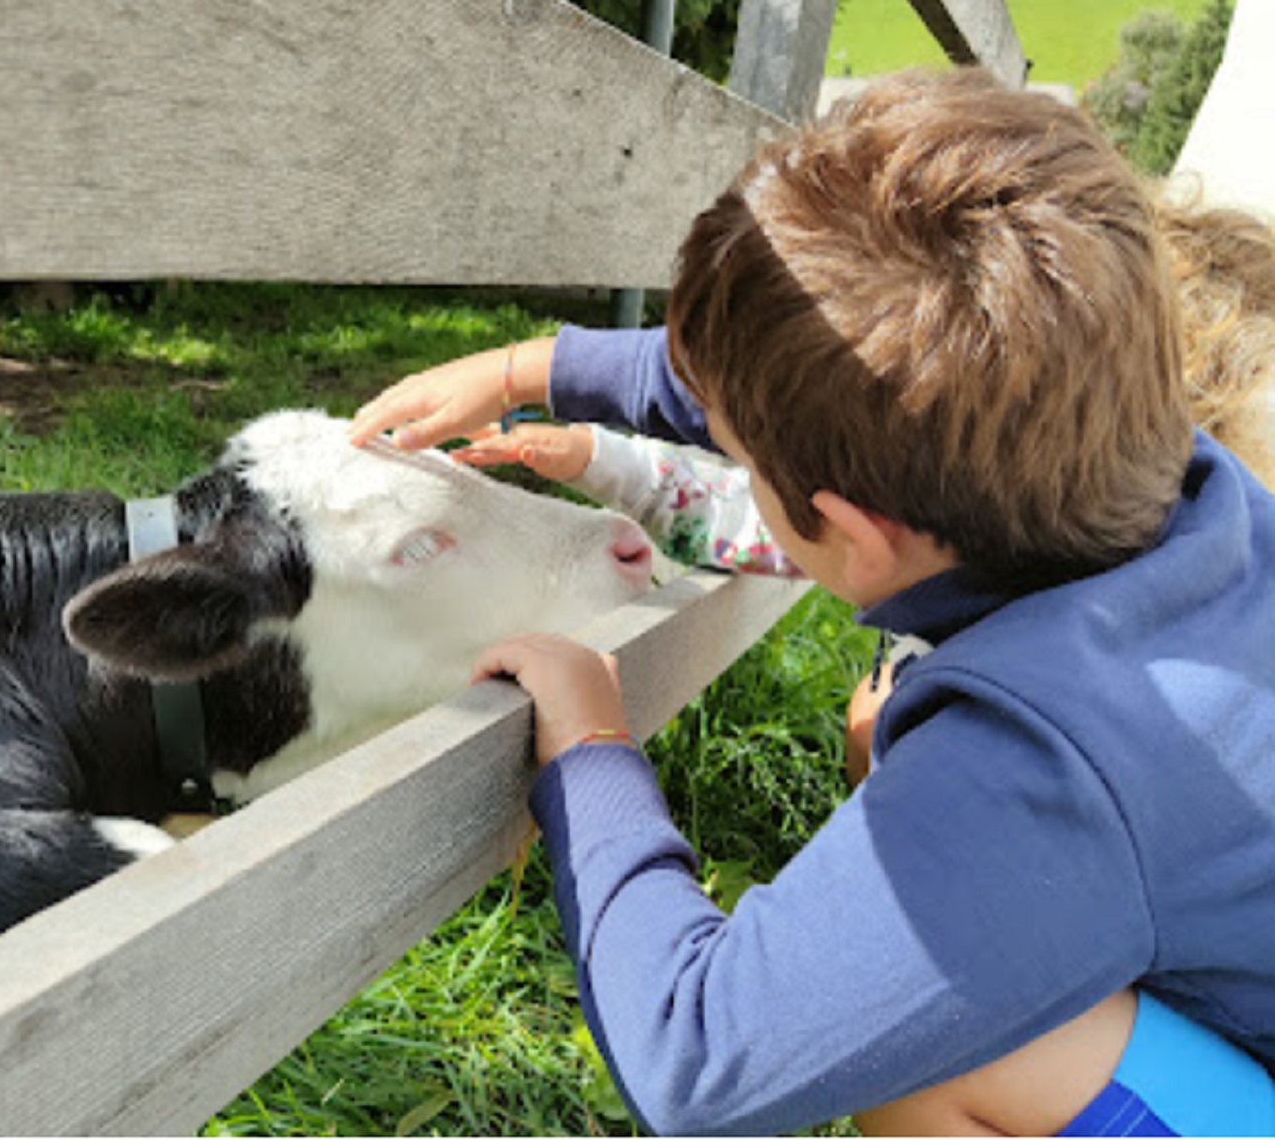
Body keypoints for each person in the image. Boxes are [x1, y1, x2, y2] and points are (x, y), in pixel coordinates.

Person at [350, 67, 1275, 1135]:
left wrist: (594, 749)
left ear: (853, 534)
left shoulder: (1049, 771)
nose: (716, 437)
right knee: (887, 743)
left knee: (939, 1054)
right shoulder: (1157, 469)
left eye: (735, 451)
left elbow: (695, 1056)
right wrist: (538, 367)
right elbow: (822, 379)